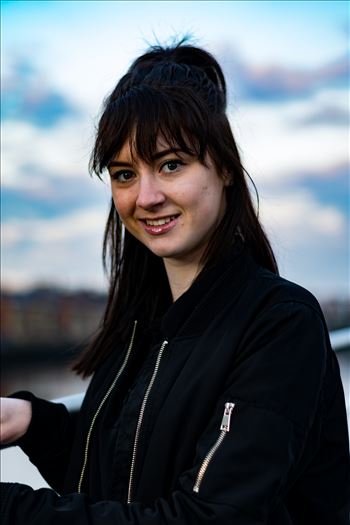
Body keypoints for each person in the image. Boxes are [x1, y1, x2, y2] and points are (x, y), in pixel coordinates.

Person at [1, 41, 349, 525]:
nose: (146, 197)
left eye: (170, 165)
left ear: (224, 167)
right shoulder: (141, 327)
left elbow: (207, 515)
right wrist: (30, 422)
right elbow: (121, 482)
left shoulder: (279, 326)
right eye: (125, 174)